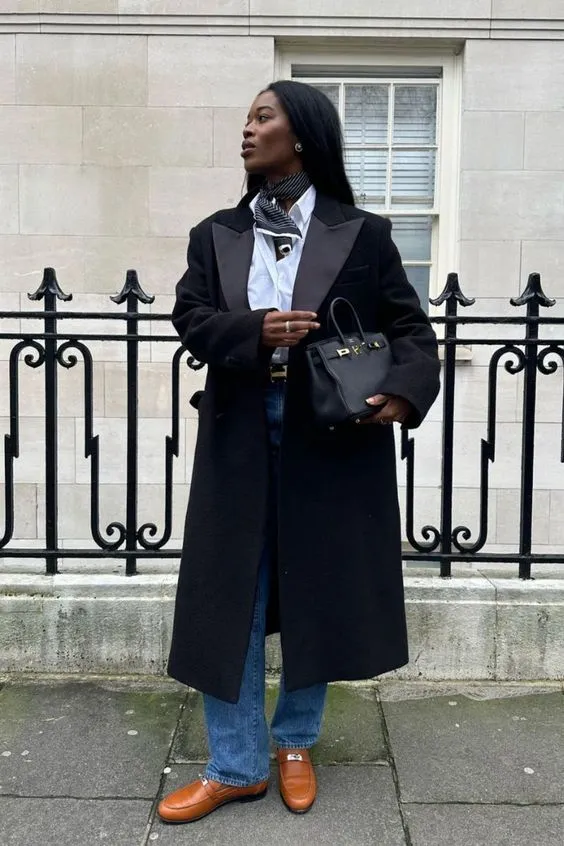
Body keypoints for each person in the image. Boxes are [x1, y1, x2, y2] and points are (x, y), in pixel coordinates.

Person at [158, 80, 440, 824]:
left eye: (262, 118)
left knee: (318, 588)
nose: (246, 131)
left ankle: (293, 743)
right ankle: (236, 763)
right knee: (233, 596)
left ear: (302, 134)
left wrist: (401, 395)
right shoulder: (216, 231)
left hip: (334, 433)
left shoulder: (364, 233)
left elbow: (411, 328)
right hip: (240, 426)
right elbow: (190, 318)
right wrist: (255, 331)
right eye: (246, 119)